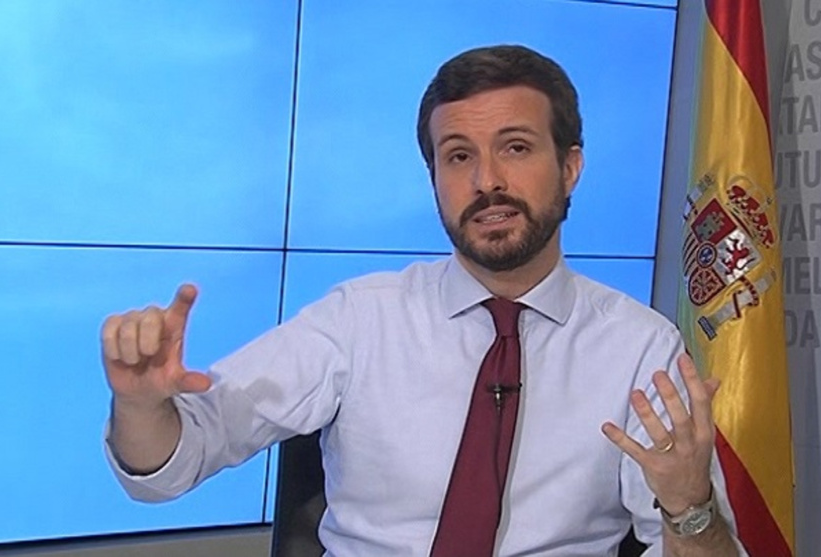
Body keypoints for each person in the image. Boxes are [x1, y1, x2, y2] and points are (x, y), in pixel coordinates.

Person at [102, 45, 745, 556]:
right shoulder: (359, 319)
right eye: (458, 156)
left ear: (570, 167)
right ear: (434, 177)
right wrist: (139, 404)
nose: (487, 181)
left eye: (515, 148)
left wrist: (688, 508)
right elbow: (171, 464)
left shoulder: (639, 348)